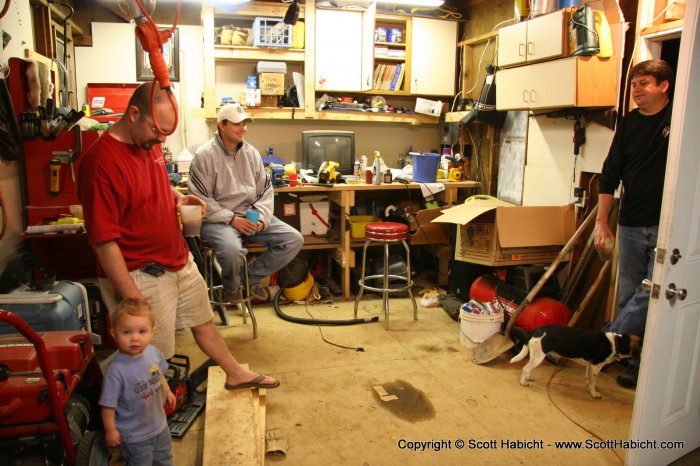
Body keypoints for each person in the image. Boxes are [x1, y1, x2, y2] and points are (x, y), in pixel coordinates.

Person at [78, 82, 279, 390]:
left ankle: (234, 373)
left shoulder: (149, 142)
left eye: (165, 134)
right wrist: (132, 298)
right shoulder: (100, 163)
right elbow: (103, 242)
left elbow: (157, 182)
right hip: (141, 270)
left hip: (176, 257)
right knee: (151, 354)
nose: (161, 140)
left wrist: (177, 198)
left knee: (204, 321)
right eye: (157, 132)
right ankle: (150, 421)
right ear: (133, 114)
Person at [595, 59, 674, 389]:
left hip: (667, 225)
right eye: (633, 85)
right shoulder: (627, 124)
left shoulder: (680, 119)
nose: (637, 90)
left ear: (663, 86)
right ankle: (631, 358)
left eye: (644, 83)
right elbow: (610, 172)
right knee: (630, 293)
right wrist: (602, 221)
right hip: (629, 222)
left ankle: (608, 337)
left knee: (654, 291)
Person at [188, 103, 304, 303]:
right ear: (221, 125)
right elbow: (200, 199)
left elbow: (265, 191)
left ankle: (249, 278)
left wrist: (262, 218)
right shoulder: (204, 156)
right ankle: (231, 288)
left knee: (293, 239)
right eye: (236, 123)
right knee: (232, 250)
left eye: (244, 123)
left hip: (249, 214)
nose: (243, 128)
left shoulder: (251, 154)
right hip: (218, 219)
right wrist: (232, 219)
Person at [100, 298, 176, 465]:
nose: (135, 338)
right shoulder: (116, 371)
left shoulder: (153, 353)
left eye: (142, 331)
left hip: (160, 427)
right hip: (135, 437)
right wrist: (110, 430)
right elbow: (108, 405)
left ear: (152, 332)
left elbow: (158, 372)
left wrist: (168, 391)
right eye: (126, 332)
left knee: (165, 461)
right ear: (114, 334)